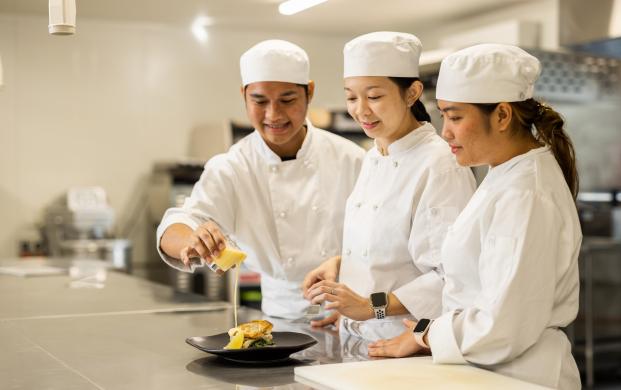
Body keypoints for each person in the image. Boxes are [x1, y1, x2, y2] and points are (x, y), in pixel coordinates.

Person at [367, 43, 582, 390]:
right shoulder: (505, 175)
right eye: (443, 117)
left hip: (521, 375)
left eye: (455, 117)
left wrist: (427, 334)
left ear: (501, 115)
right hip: (488, 369)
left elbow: (505, 324)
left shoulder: (525, 193)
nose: (445, 132)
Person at [157, 40, 365, 319]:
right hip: (281, 318)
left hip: (353, 313)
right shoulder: (232, 167)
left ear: (309, 92)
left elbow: (383, 244)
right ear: (244, 95)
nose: (273, 115)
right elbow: (176, 226)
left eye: (287, 100)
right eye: (259, 101)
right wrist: (193, 240)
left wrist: (361, 304)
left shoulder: (352, 159)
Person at [303, 32, 476, 342]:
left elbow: (449, 278)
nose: (361, 110)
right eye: (352, 97)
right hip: (357, 337)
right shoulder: (373, 157)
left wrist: (371, 308)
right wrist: (344, 266)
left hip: (406, 344)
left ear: (412, 93)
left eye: (374, 96)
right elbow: (392, 251)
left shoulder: (439, 164)